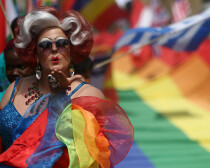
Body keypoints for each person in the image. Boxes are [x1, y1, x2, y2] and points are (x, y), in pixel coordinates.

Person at [0, 6, 133, 168]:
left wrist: (59, 99)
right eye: (45, 45)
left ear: (71, 51)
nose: (54, 48)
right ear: (35, 54)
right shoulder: (15, 88)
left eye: (62, 43)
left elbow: (89, 160)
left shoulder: (90, 95)